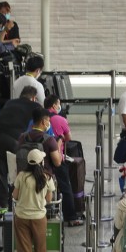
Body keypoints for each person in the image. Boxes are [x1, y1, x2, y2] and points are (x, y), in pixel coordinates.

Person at [0, 86, 40, 217]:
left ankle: (3, 207)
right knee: (21, 168)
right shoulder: (34, 106)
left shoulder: (10, 102)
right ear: (34, 97)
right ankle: (19, 201)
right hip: (12, 138)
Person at [12, 147, 56, 252]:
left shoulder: (21, 176)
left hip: (21, 216)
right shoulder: (47, 177)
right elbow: (49, 199)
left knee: (25, 248)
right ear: (41, 162)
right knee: (40, 246)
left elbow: (15, 196)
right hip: (39, 217)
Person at [46, 95, 82, 226]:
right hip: (56, 157)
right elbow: (69, 138)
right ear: (55, 105)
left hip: (41, 158)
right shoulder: (60, 119)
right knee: (65, 187)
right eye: (58, 104)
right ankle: (71, 217)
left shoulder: (38, 118)